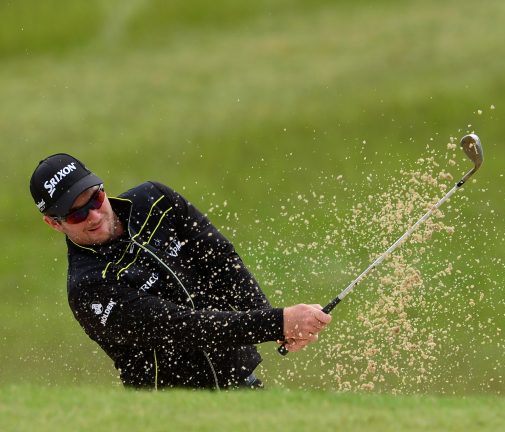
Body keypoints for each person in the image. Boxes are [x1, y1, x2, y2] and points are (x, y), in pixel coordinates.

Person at [30, 153, 332, 390]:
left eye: (95, 199)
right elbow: (183, 327)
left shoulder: (156, 201)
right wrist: (277, 322)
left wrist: (270, 319)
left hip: (241, 385)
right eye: (77, 213)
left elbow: (221, 261)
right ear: (54, 223)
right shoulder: (89, 289)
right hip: (173, 412)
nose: (94, 215)